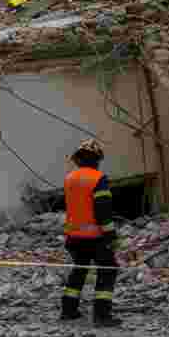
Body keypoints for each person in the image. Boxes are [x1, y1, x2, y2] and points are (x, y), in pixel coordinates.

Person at [60, 139, 122, 327]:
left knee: (79, 270)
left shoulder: (69, 179)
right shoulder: (98, 178)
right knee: (108, 270)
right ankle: (102, 315)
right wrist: (111, 237)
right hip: (95, 238)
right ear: (97, 159)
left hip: (74, 237)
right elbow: (103, 210)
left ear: (78, 159)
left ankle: (68, 310)